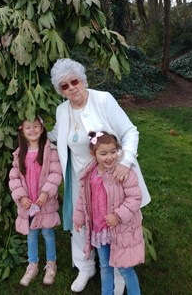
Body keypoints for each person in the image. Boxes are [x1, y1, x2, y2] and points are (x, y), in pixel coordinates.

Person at [48, 58, 150, 293]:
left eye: (74, 81)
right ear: (60, 91)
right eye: (64, 86)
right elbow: (57, 134)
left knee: (114, 224)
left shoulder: (102, 99)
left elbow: (130, 131)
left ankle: (118, 271)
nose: (71, 88)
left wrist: (126, 162)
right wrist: (37, 131)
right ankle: (85, 267)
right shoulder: (62, 110)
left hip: (112, 177)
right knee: (81, 223)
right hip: (81, 180)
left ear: (82, 80)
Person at [73, 131, 144, 295]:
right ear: (94, 154)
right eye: (103, 153)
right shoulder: (89, 174)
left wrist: (118, 216)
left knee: (125, 268)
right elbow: (83, 198)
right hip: (99, 230)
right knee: (104, 265)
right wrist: (79, 218)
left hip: (120, 231)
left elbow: (135, 197)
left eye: (113, 152)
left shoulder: (123, 173)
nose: (110, 157)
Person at [9, 117, 62, 287]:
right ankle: (33, 265)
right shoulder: (19, 154)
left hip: (44, 203)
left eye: (36, 126)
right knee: (31, 234)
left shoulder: (50, 151)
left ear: (42, 128)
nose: (32, 130)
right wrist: (22, 196)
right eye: (28, 127)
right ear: (22, 131)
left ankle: (51, 264)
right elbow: (14, 177)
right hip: (28, 204)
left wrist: (46, 194)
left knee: (47, 233)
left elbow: (55, 174)